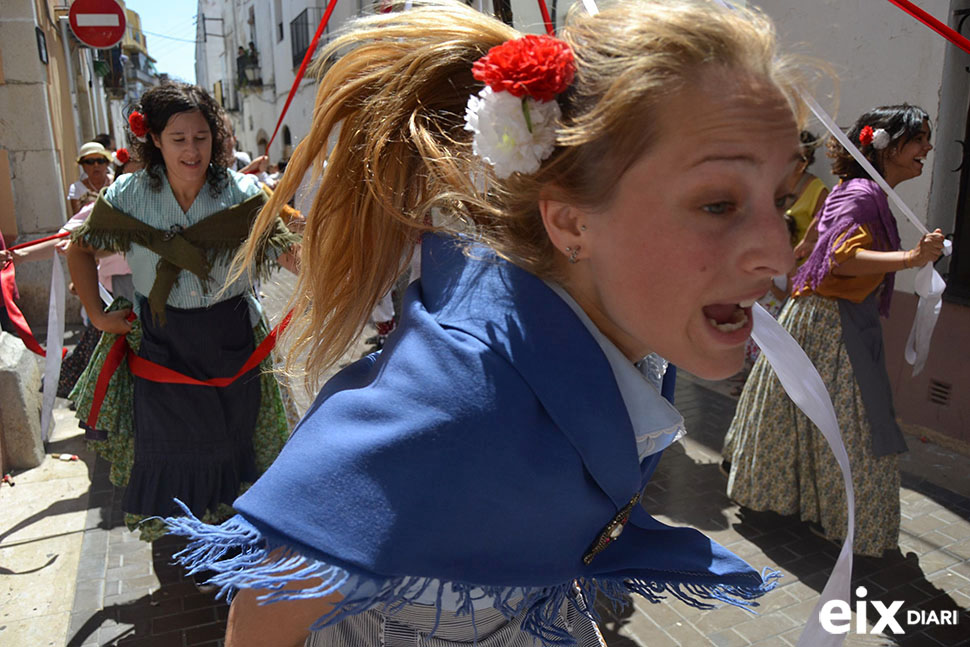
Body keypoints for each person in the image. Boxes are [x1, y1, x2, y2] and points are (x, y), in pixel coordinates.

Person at [165, 2, 804, 645]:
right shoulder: (452, 404)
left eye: (782, 200)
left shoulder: (626, 337)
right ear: (572, 222)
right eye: (718, 203)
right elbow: (270, 604)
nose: (778, 255)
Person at [66, 81, 301, 542]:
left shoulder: (242, 192)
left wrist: (330, 271)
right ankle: (195, 540)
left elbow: (287, 253)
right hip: (162, 344)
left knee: (234, 442)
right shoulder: (127, 196)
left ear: (215, 137)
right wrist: (96, 315)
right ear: (153, 139)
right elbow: (79, 249)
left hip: (231, 339)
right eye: (178, 139)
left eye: (201, 137)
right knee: (178, 449)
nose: (192, 150)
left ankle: (233, 539)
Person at [725, 104, 944, 557]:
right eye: (919, 138)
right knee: (854, 431)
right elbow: (840, 259)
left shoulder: (866, 192)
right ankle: (840, 522)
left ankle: (810, 509)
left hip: (839, 321)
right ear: (886, 145)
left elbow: (821, 250)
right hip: (828, 326)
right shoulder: (861, 194)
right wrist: (911, 259)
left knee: (829, 425)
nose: (927, 147)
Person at [789, 130, 830, 261]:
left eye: (802, 159)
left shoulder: (818, 191)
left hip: (802, 271)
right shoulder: (766, 183)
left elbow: (828, 235)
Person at [68, 142, 113, 214]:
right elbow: (78, 217)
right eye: (90, 161)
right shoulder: (76, 188)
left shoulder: (116, 183)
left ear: (106, 163)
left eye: (100, 161)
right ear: (83, 165)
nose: (96, 165)